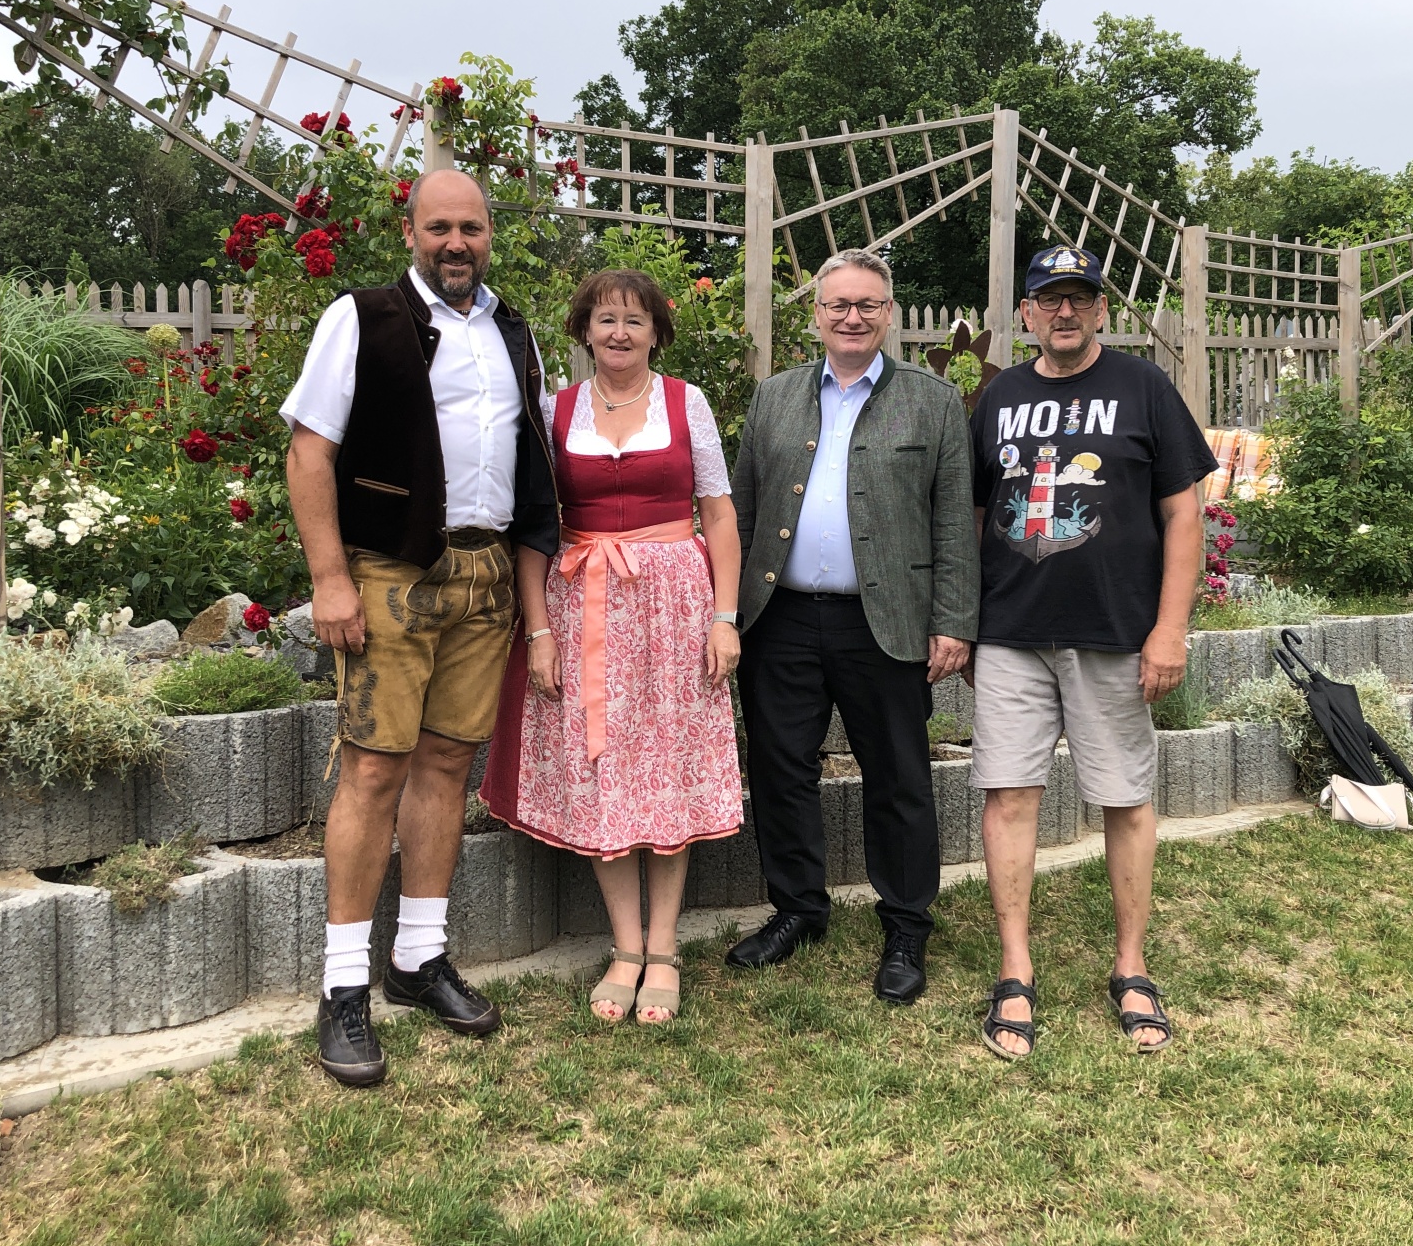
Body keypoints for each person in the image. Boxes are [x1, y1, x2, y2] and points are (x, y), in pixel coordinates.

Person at [281, 168, 559, 1087]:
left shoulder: (514, 331)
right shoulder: (361, 317)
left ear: (489, 234)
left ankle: (419, 956)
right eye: (439, 227)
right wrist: (331, 578)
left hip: (486, 574)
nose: (456, 243)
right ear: (410, 233)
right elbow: (309, 450)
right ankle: (343, 985)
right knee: (373, 768)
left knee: (446, 763)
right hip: (393, 572)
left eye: (470, 227)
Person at [966, 244, 1217, 1060]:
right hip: (1011, 632)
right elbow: (975, 514)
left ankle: (1131, 966)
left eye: (1080, 297)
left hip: (1114, 633)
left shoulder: (1144, 387)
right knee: (1009, 796)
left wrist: (1169, 629)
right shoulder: (1000, 396)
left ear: (1103, 308)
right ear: (1027, 313)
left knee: (1124, 797)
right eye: (1050, 299)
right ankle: (1015, 969)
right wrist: (965, 620)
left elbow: (1184, 513)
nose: (1065, 312)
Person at [482, 270, 743, 1025]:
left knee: (668, 768)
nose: (620, 332)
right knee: (603, 774)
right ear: (585, 332)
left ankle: (664, 948)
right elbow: (533, 529)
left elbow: (719, 516)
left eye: (635, 320)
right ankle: (626, 947)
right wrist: (537, 630)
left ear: (656, 332)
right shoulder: (555, 410)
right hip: (582, 608)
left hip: (674, 609)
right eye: (606, 319)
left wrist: (724, 617)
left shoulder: (687, 402)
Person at [727, 247, 977, 1004]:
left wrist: (953, 620)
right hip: (781, 618)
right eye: (838, 304)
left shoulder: (933, 402)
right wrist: (727, 612)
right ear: (816, 314)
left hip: (888, 621)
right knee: (781, 769)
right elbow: (740, 511)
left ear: (889, 315)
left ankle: (905, 925)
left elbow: (953, 523)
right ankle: (798, 910)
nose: (852, 317)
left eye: (867, 304)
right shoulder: (774, 396)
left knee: (898, 777)